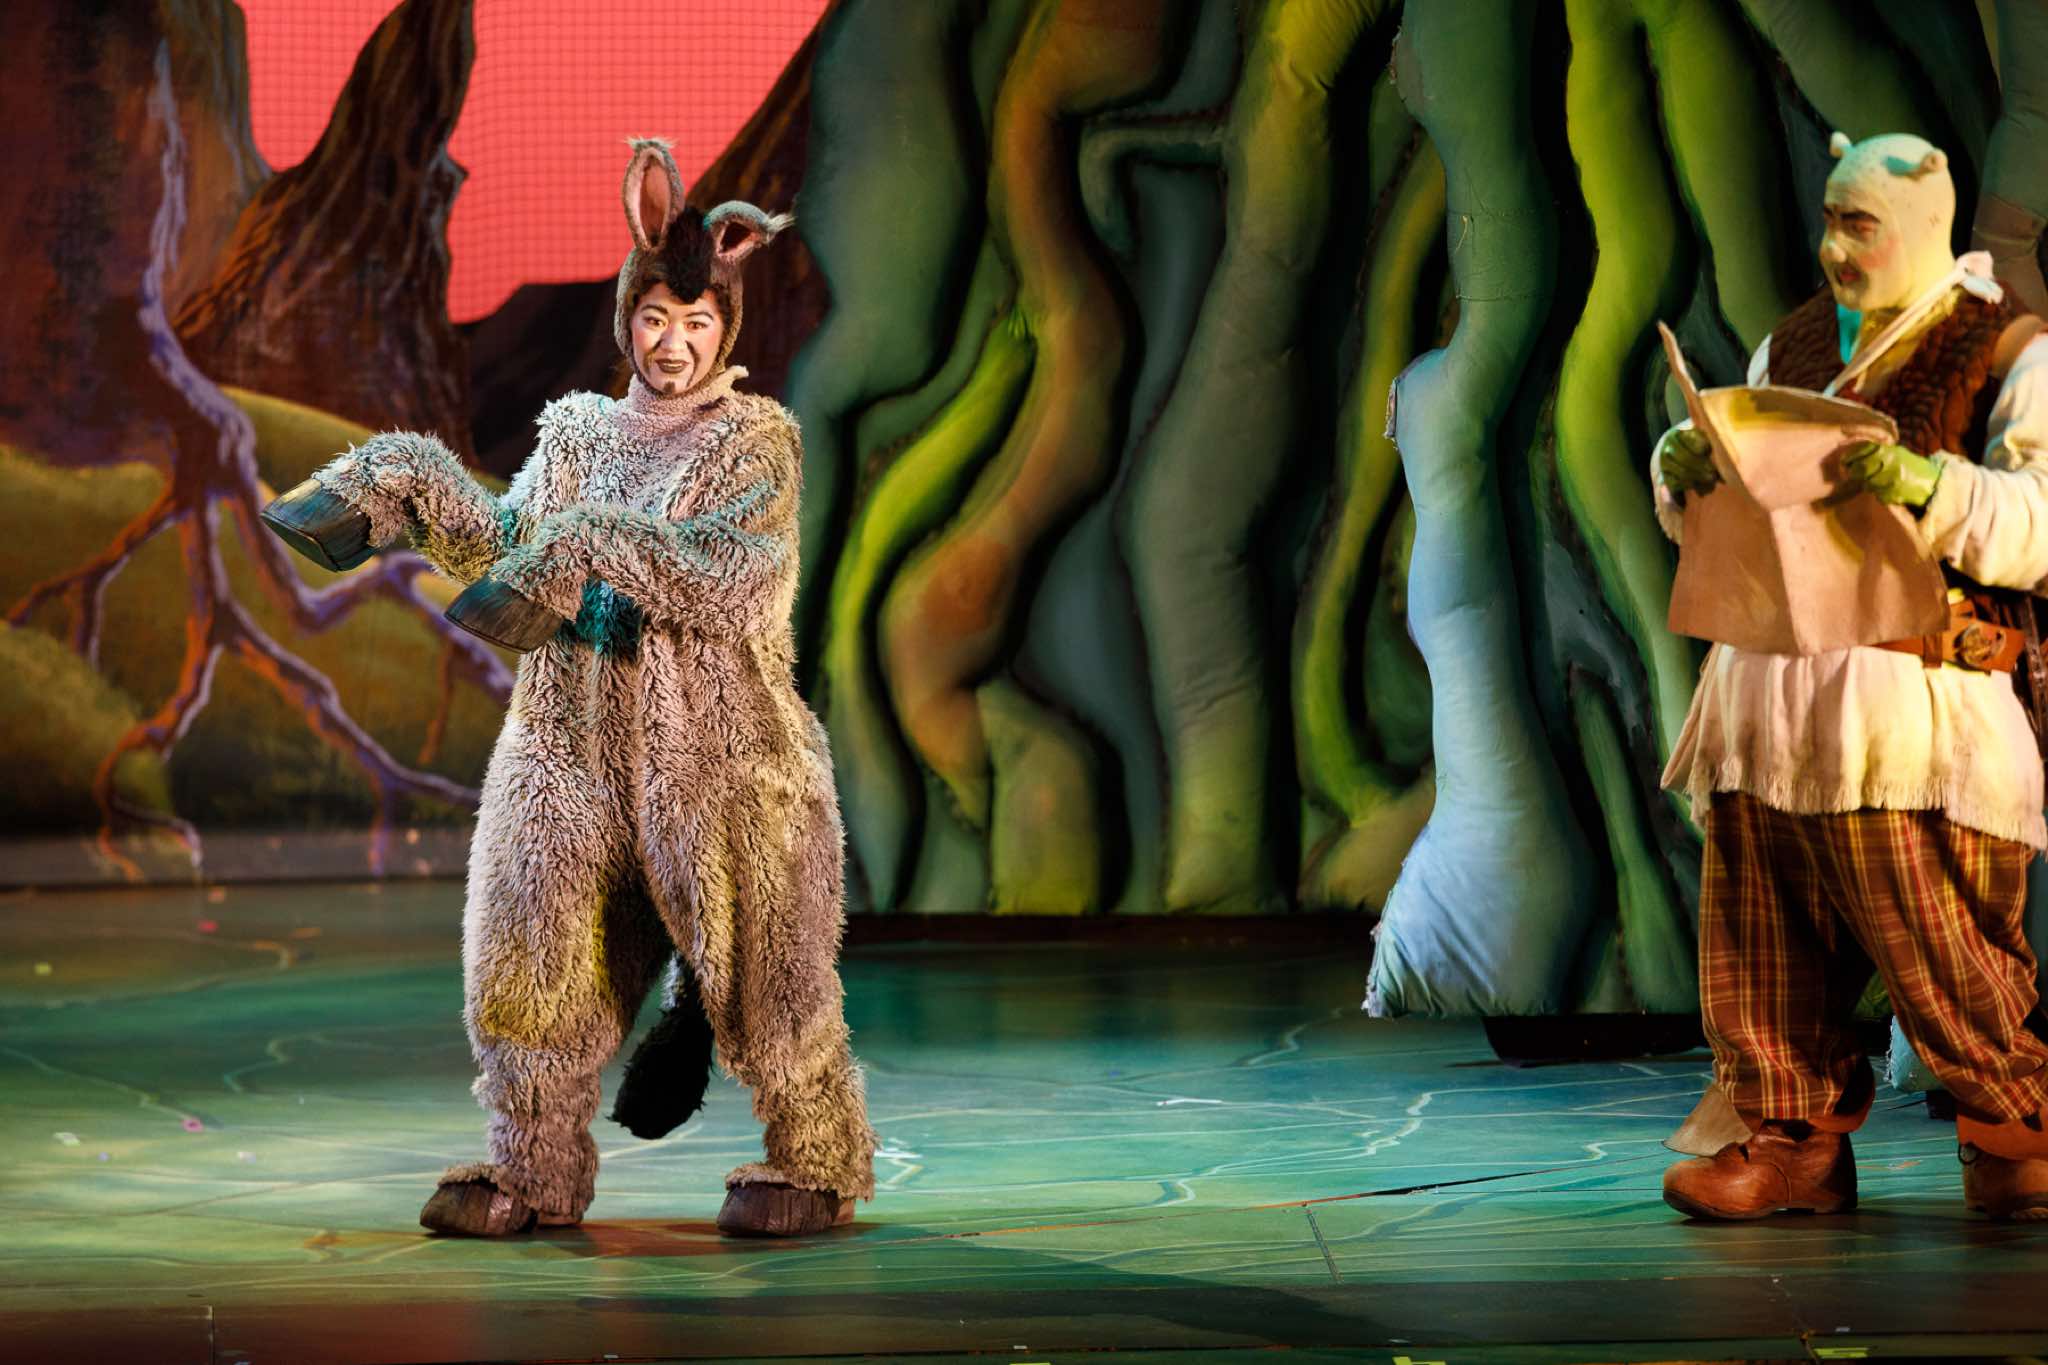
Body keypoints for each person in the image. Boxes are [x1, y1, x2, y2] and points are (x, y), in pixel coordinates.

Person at [262, 138, 876, 1238]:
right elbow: (508, 547)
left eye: (697, 323)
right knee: (533, 953)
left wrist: (589, 544)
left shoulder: (756, 443)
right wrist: (410, 480)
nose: (674, 344)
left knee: (768, 983)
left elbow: (730, 577)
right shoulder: (578, 436)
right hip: (570, 749)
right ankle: (533, 1170)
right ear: (627, 319)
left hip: (722, 762)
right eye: (656, 319)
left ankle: (816, 1159)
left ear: (725, 330)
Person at [1650, 131, 2048, 1222]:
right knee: (1761, 938)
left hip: (1911, 706)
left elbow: (2039, 522)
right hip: (1768, 700)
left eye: (1857, 224)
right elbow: (1743, 504)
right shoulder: (1791, 345)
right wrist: (1684, 471)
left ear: (1920, 221)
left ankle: (2014, 1130)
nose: (1833, 247)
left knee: (1939, 938)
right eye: (1829, 220)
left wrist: (1931, 484)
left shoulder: (2005, 347)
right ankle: (1791, 1141)